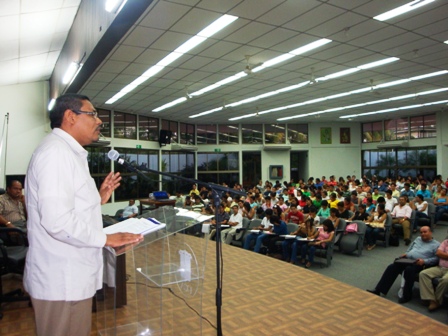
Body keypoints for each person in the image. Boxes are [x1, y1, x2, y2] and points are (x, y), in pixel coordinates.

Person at [24, 93, 143, 336]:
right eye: (93, 114)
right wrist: (105, 239)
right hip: (61, 281)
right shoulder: (56, 154)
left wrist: (97, 199)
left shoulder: (68, 153)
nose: (99, 121)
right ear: (70, 116)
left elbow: (67, 208)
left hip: (72, 277)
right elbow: (56, 220)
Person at [366, 226, 439, 303]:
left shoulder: (436, 244)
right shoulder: (418, 239)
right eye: (421, 232)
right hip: (408, 259)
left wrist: (425, 261)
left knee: (409, 270)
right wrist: (406, 254)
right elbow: (410, 248)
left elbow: (436, 259)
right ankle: (379, 290)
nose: (422, 234)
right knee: (392, 267)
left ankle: (407, 296)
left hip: (420, 263)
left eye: (425, 232)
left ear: (430, 232)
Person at [419, 238, 448, 311]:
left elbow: (441, 253)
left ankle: (437, 301)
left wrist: (443, 254)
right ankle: (430, 298)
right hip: (440, 267)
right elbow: (438, 253)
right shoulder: (445, 242)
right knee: (423, 274)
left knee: (445, 280)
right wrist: (443, 254)